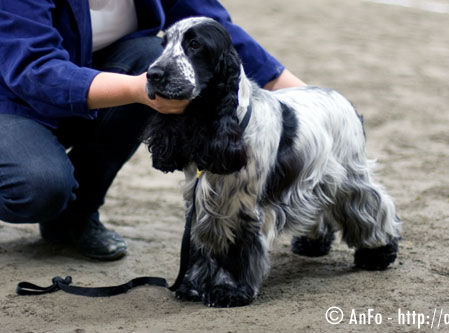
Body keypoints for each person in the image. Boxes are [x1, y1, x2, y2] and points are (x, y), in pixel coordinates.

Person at [0, 0, 305, 261]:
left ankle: (75, 218)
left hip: (98, 77)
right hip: (12, 99)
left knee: (152, 59)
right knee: (37, 188)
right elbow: (34, 68)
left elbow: (218, 36)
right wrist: (136, 88)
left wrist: (310, 98)